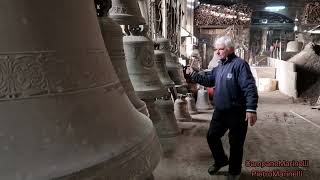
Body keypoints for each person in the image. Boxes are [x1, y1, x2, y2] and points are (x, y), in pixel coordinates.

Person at [186, 36, 258, 180]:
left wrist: (251, 109)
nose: (217, 52)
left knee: (235, 144)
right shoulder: (220, 67)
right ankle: (221, 160)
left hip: (237, 113)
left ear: (230, 49)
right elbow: (208, 80)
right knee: (212, 137)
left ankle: (234, 171)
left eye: (221, 49)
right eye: (216, 49)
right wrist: (193, 75)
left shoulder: (240, 65)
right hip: (220, 111)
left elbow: (249, 87)